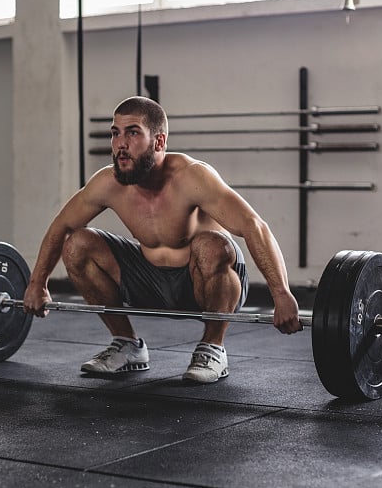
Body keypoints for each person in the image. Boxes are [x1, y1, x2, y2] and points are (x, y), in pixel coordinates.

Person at [23, 96, 300, 383]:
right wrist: (37, 283)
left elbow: (254, 225)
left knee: (213, 245)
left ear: (158, 142)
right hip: (148, 280)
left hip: (203, 284)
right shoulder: (108, 183)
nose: (120, 144)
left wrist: (280, 293)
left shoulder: (191, 177)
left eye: (132, 133)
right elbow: (62, 226)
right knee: (77, 244)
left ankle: (212, 348)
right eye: (115, 133)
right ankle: (127, 345)